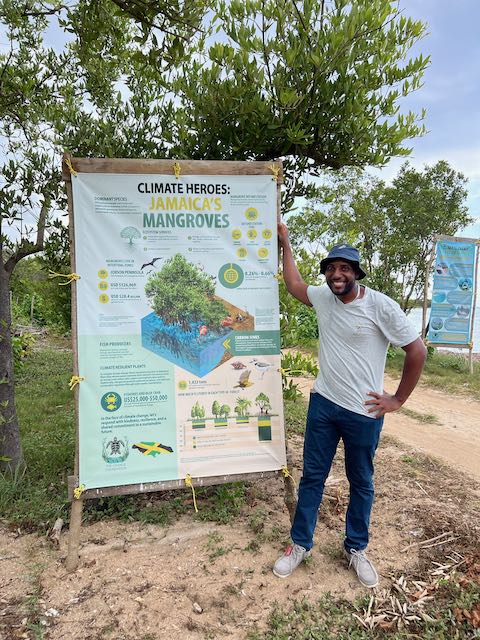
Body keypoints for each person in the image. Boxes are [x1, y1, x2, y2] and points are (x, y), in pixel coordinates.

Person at [274, 223, 427, 588]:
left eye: (344, 268)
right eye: (331, 268)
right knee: (313, 476)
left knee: (361, 481)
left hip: (364, 413)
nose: (337, 274)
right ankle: (299, 545)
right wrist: (286, 244)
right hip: (324, 404)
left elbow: (416, 351)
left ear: (356, 273)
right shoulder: (324, 297)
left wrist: (398, 399)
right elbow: (294, 285)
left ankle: (356, 548)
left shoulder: (381, 306)